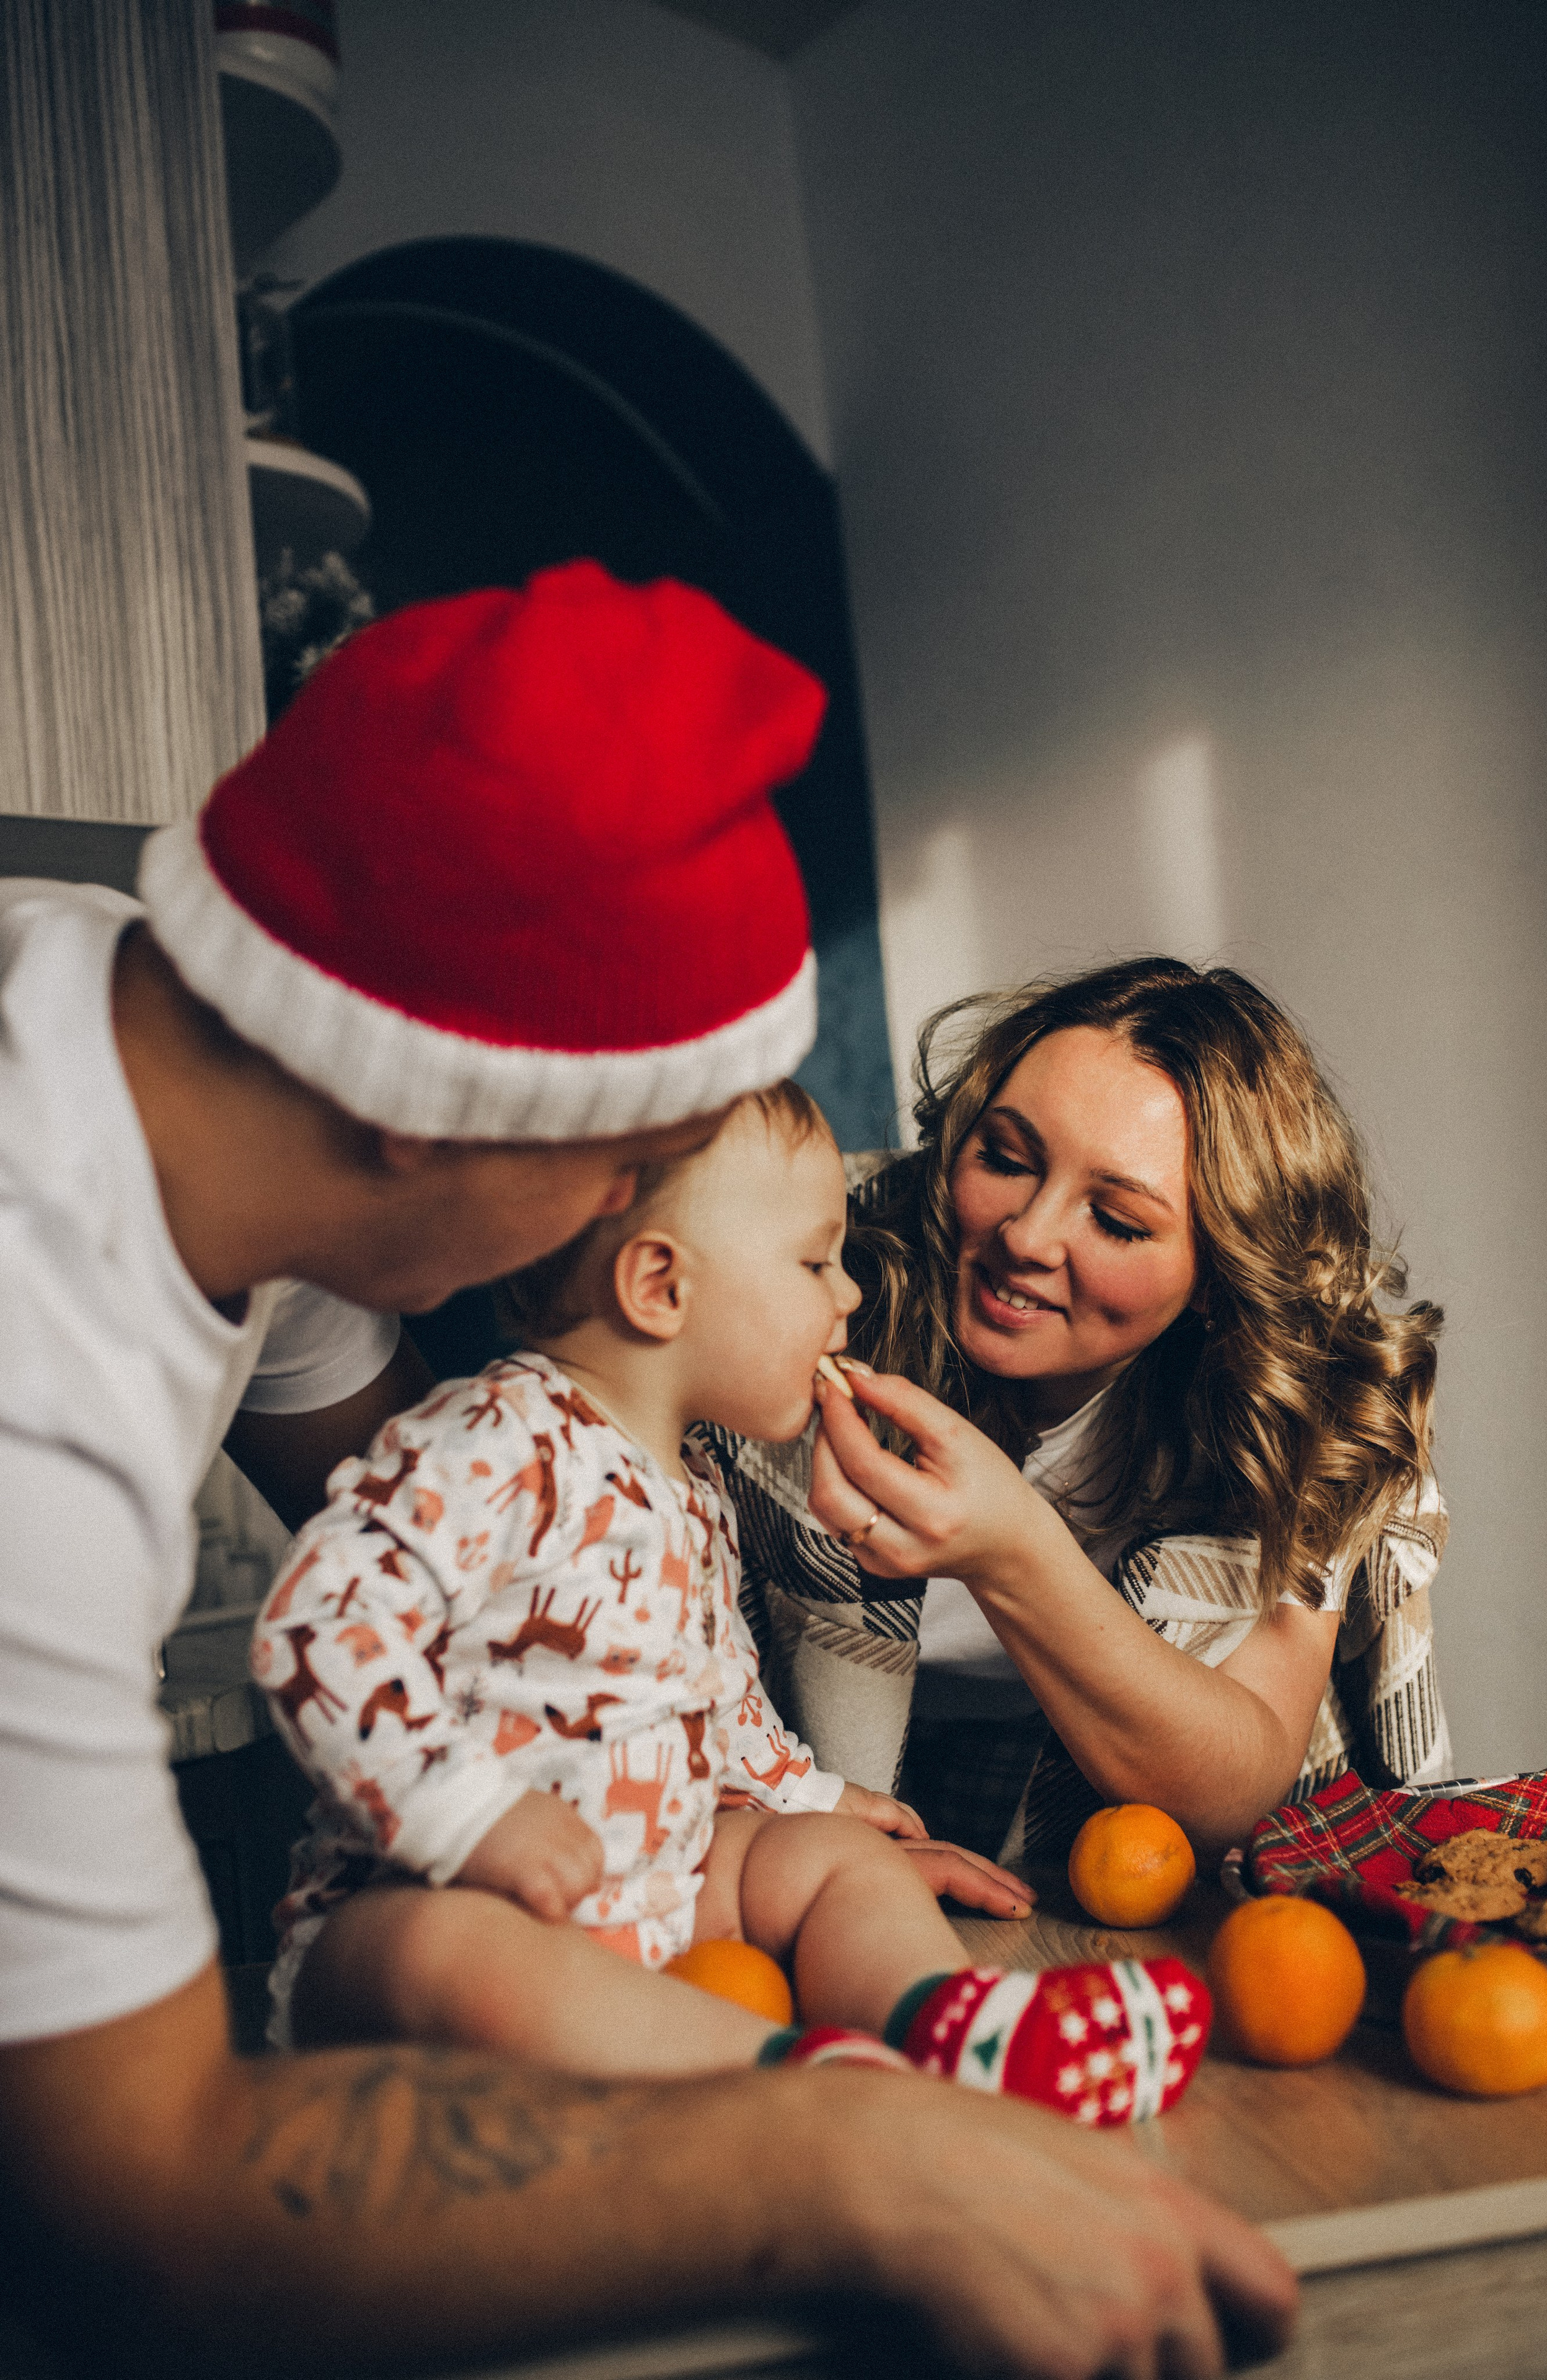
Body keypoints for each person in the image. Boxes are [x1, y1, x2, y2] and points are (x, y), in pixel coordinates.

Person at [0, 564, 1298, 2378]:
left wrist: (763, 1804)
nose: (624, 1237)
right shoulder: (24, 1403)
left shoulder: (182, 1067)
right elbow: (135, 2220)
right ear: (422, 1107)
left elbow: (531, 1575)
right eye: (634, 1169)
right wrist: (855, 2154)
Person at [252, 1082, 1211, 2127]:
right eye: (815, 1264)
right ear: (661, 1286)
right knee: (449, 1951)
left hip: (647, 1901)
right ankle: (806, 2089)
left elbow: (716, 1692)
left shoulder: (694, 1481)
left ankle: (953, 2024)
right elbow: (318, 1625)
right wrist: (466, 1817)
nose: (848, 1300)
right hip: (428, 1922)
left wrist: (811, 1800)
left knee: (828, 1862)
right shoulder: (495, 1441)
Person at [716, 964, 1447, 1871]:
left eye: (1117, 1221)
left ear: (1223, 1277)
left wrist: (1010, 1548)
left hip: (1125, 1840)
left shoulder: (1305, 1397)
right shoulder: (808, 1264)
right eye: (1007, 1160)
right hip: (797, 1807)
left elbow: (1236, 1783)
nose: (1026, 1235)